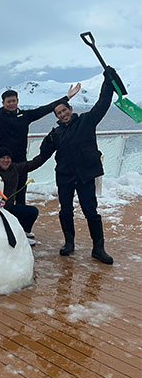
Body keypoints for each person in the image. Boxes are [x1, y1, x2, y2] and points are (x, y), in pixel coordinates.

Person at [0, 70, 81, 205]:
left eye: (13, 101)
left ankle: (19, 224)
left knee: (20, 196)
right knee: (0, 194)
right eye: (8, 102)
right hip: (2, 162)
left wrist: (66, 98)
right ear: (3, 103)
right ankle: (3, 223)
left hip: (20, 163)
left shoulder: (26, 116)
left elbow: (45, 109)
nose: (11, 104)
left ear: (17, 101)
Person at [39, 67, 118, 264]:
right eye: (59, 113)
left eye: (64, 110)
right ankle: (69, 243)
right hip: (65, 177)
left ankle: (98, 248)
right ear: (56, 117)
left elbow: (103, 104)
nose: (63, 114)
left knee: (91, 211)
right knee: (65, 211)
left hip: (85, 175)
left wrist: (107, 82)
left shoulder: (87, 121)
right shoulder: (55, 134)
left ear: (70, 109)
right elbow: (42, 153)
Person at [0, 147, 45, 244]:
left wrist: (47, 151)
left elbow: (33, 164)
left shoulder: (15, 168)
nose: (6, 160)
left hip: (9, 207)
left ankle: (23, 233)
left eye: (8, 158)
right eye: (3, 158)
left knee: (32, 212)